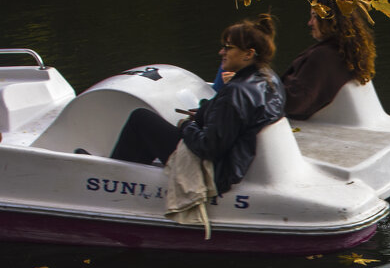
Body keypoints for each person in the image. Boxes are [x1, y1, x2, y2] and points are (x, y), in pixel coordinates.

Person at [108, 15, 285, 195]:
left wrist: (186, 126)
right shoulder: (270, 79)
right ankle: (127, 174)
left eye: (228, 47)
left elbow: (208, 147)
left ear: (249, 54)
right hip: (237, 161)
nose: (221, 52)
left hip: (216, 172)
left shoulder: (236, 92)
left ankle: (108, 179)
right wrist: (205, 113)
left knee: (140, 120)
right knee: (152, 131)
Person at [281, 0, 376, 120]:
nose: (309, 23)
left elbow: (295, 102)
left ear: (330, 19)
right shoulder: (351, 53)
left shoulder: (322, 56)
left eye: (315, 16)